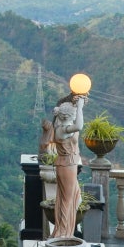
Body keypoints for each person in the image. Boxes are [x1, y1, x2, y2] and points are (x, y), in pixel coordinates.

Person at [50, 96, 86, 238]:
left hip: (68, 165)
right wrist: (81, 107)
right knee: (67, 200)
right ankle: (63, 234)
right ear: (70, 115)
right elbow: (79, 126)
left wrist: (78, 103)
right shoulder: (64, 129)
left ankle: (64, 231)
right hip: (67, 166)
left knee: (75, 199)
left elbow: (76, 123)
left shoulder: (62, 125)